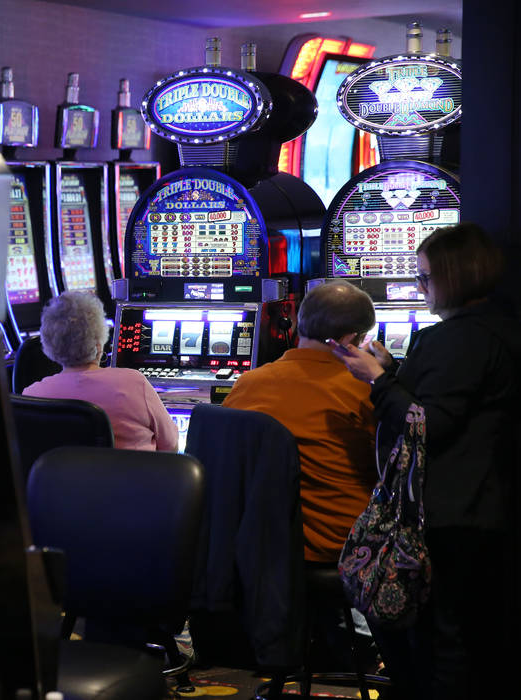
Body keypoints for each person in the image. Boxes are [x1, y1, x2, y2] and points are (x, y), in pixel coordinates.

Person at [330, 223, 521, 700]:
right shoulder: (497, 328)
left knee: (441, 642)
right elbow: (451, 403)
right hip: (484, 505)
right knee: (470, 638)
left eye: (425, 278)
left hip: (451, 513)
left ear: (455, 277)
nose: (420, 288)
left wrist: (376, 379)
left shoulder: (457, 339)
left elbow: (426, 424)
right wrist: (394, 371)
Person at [222, 280, 378, 564]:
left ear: (295, 323)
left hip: (258, 541)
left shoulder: (247, 383)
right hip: (339, 545)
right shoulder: (365, 391)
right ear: (348, 340)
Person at [23, 290, 178, 452]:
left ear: (48, 344)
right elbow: (171, 446)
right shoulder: (133, 383)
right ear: (99, 343)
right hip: (132, 476)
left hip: (64, 477)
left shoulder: (31, 396)